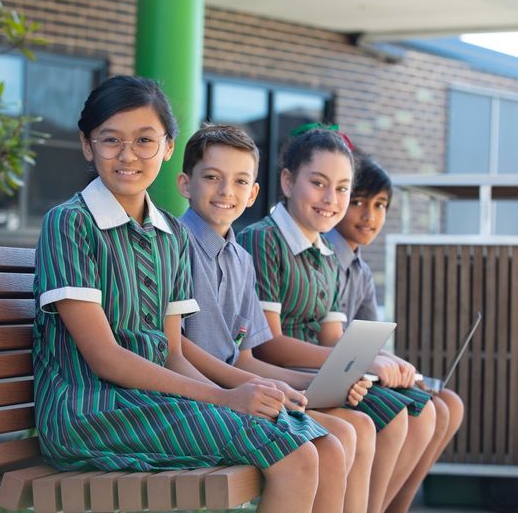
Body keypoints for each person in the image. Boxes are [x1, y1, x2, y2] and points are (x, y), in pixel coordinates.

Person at [32, 75, 334, 513]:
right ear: (87, 145)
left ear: (169, 147)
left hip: (152, 402)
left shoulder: (170, 234)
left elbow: (172, 351)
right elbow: (104, 357)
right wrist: (226, 398)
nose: (128, 155)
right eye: (110, 139)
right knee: (297, 455)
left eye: (144, 140)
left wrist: (249, 390)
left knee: (315, 442)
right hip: (90, 411)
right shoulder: (70, 223)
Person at [237, 127, 436, 513]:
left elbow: (332, 338)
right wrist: (360, 361)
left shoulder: (326, 250)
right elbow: (268, 344)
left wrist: (368, 361)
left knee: (415, 408)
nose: (331, 199)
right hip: (279, 378)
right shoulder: (263, 241)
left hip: (321, 380)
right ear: (288, 181)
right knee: (382, 421)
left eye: (343, 188)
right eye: (319, 183)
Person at [176, 123, 373, 513]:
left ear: (252, 193)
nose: (225, 192)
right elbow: (175, 349)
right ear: (185, 184)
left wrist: (316, 382)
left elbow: (246, 358)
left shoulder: (240, 259)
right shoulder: (173, 245)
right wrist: (258, 389)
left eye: (239, 182)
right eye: (212, 177)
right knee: (317, 450)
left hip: (237, 388)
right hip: (196, 397)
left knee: (339, 440)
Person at [325, 151, 465, 513]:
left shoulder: (362, 271)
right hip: (326, 372)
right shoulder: (322, 257)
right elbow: (335, 341)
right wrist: (377, 362)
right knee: (419, 414)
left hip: (355, 369)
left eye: (380, 205)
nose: (369, 216)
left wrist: (399, 368)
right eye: (357, 202)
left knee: (448, 404)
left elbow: (370, 338)